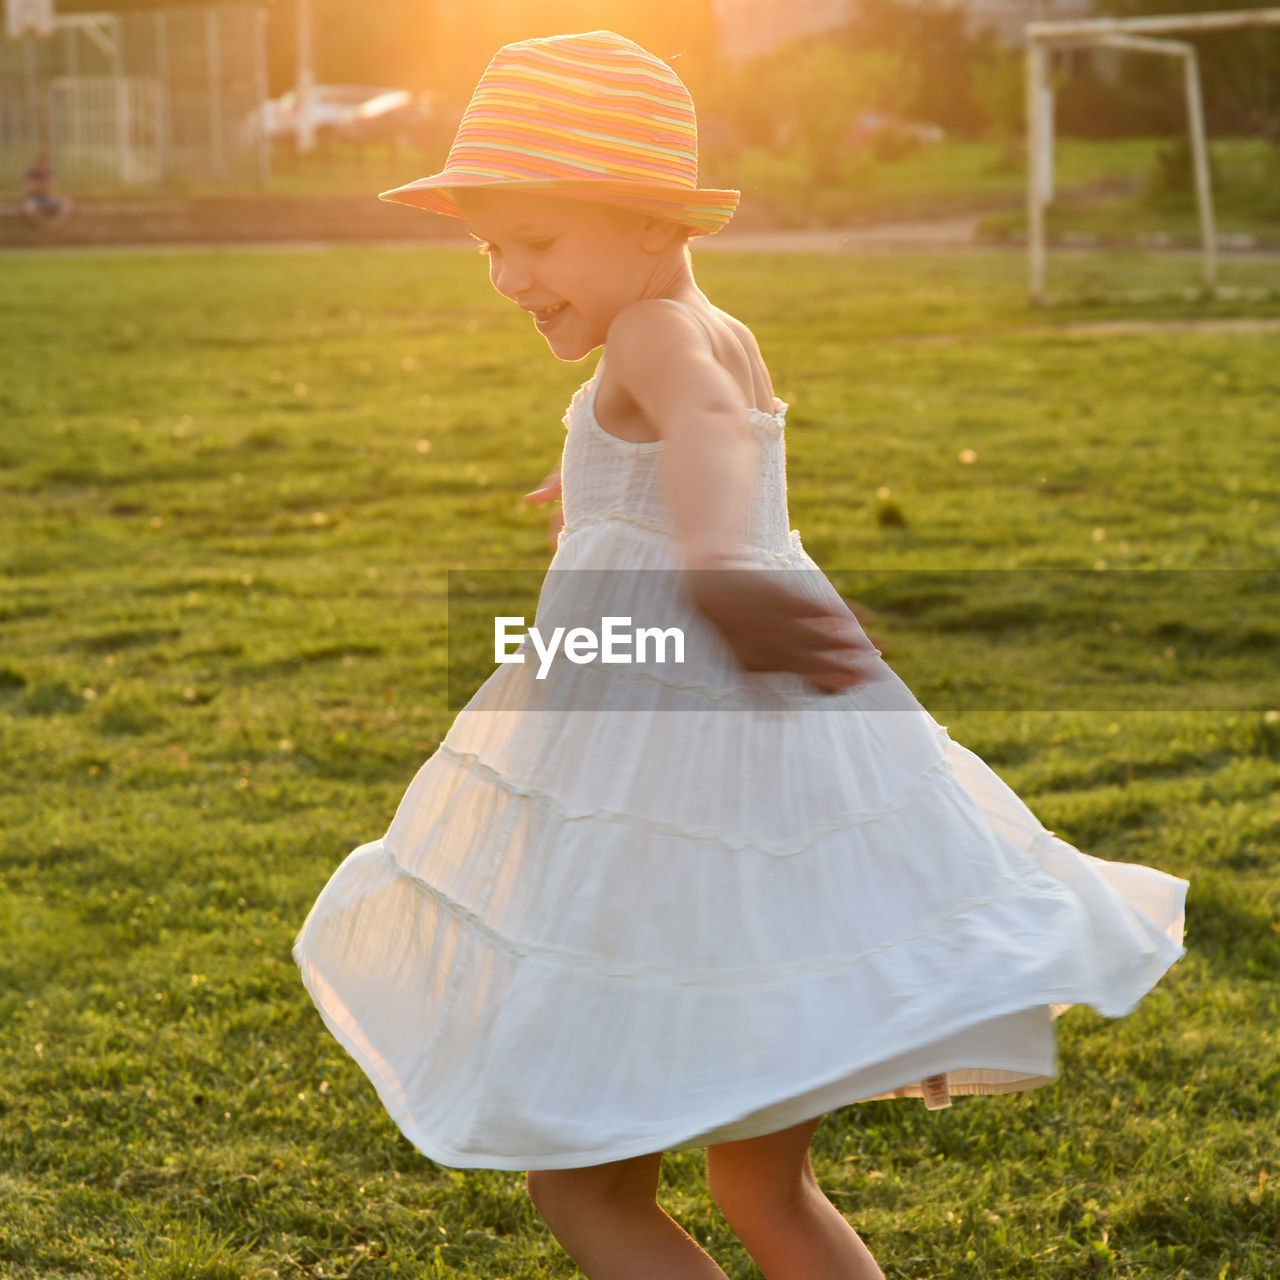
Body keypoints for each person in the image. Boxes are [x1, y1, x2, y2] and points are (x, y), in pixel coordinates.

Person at [292, 31, 1188, 1280]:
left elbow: (704, 428)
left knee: (582, 1184)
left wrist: (708, 560)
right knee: (764, 1184)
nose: (504, 275)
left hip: (655, 804)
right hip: (749, 797)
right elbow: (697, 429)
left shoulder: (656, 338)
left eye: (536, 241)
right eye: (487, 244)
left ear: (652, 219)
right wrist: (599, 488)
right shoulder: (706, 328)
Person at [20, 151, 73, 231]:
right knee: (29, 209)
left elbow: (49, 188)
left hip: (46, 198)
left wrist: (37, 186)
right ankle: (43, 226)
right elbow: (28, 189)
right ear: (38, 163)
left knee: (68, 204)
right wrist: (41, 187)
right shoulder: (31, 172)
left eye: (46, 163)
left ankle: (53, 225)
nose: (45, 165)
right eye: (42, 163)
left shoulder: (49, 172)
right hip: (33, 198)